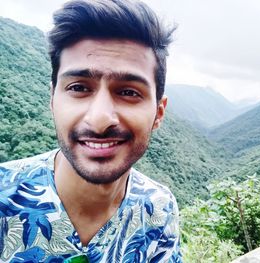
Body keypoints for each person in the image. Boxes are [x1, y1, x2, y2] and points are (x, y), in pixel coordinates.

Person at [0, 0, 181, 262]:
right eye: (78, 87)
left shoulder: (159, 209)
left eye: (129, 92)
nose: (99, 119)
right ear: (52, 100)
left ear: (158, 113)